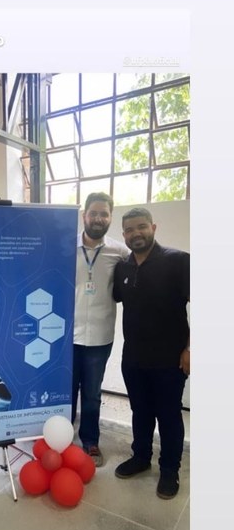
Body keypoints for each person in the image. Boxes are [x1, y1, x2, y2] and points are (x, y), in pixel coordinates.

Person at [113, 207, 190, 499]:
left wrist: (190, 349)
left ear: (153, 228)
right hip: (133, 358)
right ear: (124, 235)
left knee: (169, 416)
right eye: (130, 229)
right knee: (140, 411)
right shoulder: (123, 268)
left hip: (170, 360)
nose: (136, 233)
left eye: (141, 227)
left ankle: (169, 470)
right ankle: (141, 457)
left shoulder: (178, 261)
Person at [72, 192, 129, 466]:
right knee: (65, 392)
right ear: (84, 215)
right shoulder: (66, 246)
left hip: (100, 336)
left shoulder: (120, 252)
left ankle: (90, 441)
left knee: (92, 393)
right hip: (67, 336)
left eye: (103, 214)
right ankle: (60, 439)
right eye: (93, 213)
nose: (98, 218)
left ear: (110, 218)